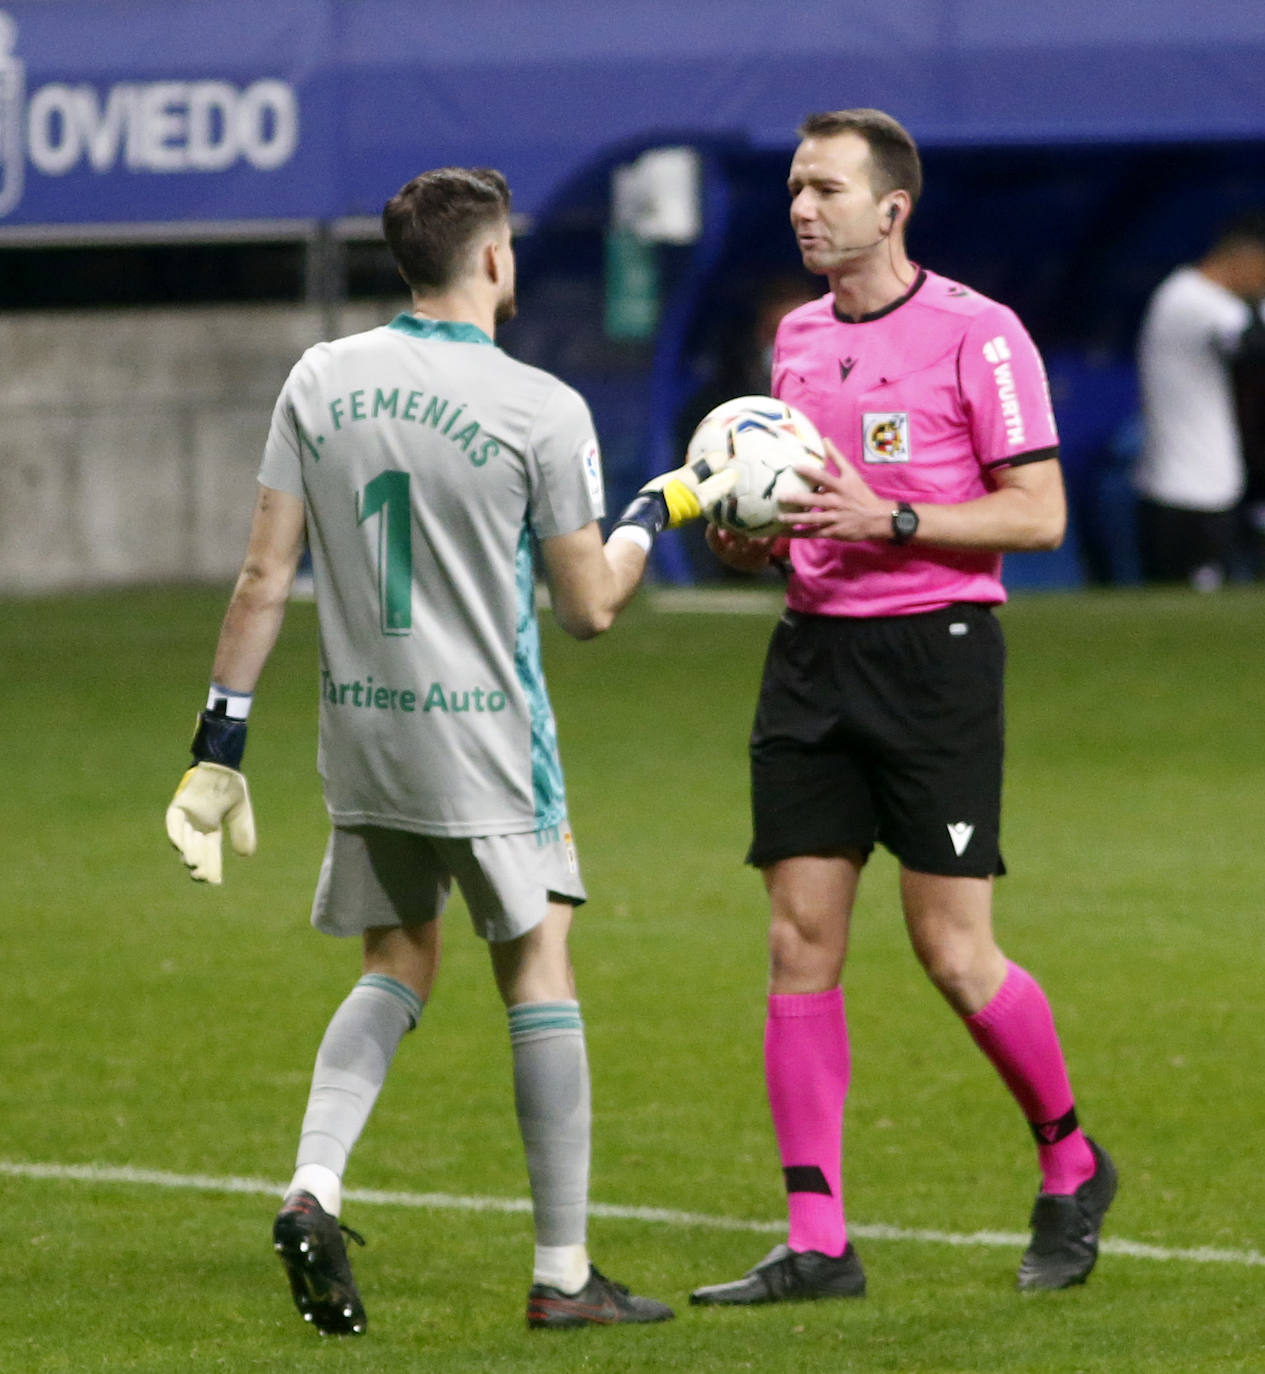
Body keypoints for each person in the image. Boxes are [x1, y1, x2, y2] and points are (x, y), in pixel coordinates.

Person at [163, 165, 707, 1334]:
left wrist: (219, 749)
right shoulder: (538, 405)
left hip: (365, 736)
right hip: (491, 746)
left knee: (398, 962)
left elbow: (266, 575)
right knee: (536, 966)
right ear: (495, 260)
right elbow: (587, 608)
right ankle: (563, 1274)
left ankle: (313, 1186)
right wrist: (655, 514)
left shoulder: (320, 377)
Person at [687, 108, 1116, 1306]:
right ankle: (817, 1240)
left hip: (935, 659)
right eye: (791, 189)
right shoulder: (794, 341)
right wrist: (747, 540)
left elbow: (1036, 516)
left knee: (950, 952)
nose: (801, 209)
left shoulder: (980, 336)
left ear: (893, 207)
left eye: (824, 188)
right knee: (796, 942)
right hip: (811, 659)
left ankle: (1069, 1158)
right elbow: (790, 525)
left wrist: (897, 521)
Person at [1133, 211, 1265, 590]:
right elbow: (1253, 346)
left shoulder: (1220, 302)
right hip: (1182, 492)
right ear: (1246, 257)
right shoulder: (1189, 298)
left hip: (1211, 484)